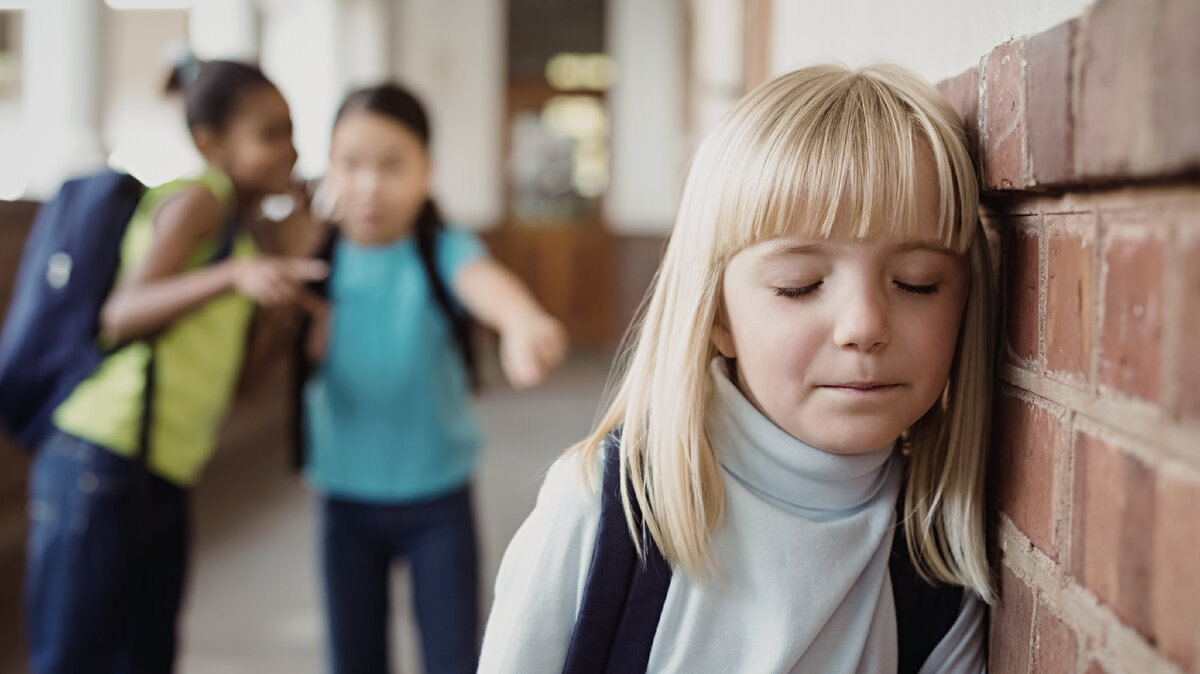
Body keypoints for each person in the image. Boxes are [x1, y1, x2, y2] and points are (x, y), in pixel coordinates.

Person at [478, 63, 997, 673]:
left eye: (918, 283)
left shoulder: (938, 569)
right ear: (716, 316)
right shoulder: (604, 513)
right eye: (800, 286)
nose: (864, 325)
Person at [23, 58, 326, 674]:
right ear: (208, 142)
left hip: (163, 470)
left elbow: (243, 379)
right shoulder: (198, 202)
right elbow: (123, 313)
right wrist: (236, 276)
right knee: (71, 656)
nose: (289, 152)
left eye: (292, 132)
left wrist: (283, 273)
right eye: (270, 134)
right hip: (100, 459)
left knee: (148, 654)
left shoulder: (245, 232)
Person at [298, 83, 568, 674]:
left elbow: (485, 284)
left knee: (453, 654)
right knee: (353, 656)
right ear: (329, 170)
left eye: (392, 165)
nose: (369, 184)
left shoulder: (442, 249)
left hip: (438, 499)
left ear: (427, 171)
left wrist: (522, 321)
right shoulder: (314, 262)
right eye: (350, 164)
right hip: (344, 498)